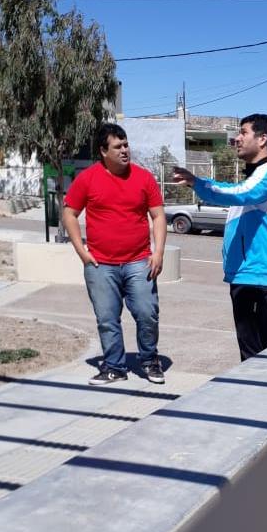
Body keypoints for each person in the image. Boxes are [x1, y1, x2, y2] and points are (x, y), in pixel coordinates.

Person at [172, 114, 267, 361]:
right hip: (249, 276)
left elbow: (238, 193)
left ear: (262, 139)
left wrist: (198, 183)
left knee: (254, 357)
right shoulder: (257, 176)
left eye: (243, 132)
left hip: (257, 278)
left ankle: (256, 398)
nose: (237, 138)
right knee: (255, 356)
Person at [62, 123, 167, 385]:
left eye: (126, 145)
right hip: (100, 265)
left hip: (139, 261)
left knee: (147, 313)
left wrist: (158, 252)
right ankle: (114, 367)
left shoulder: (144, 178)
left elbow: (158, 216)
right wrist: (81, 251)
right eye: (118, 146)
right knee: (107, 319)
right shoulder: (87, 178)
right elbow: (69, 214)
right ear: (103, 151)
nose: (124, 150)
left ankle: (149, 360)